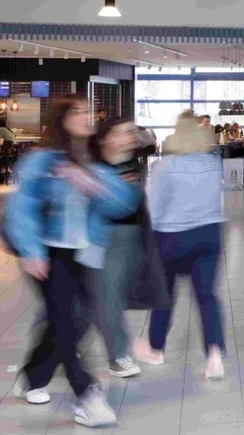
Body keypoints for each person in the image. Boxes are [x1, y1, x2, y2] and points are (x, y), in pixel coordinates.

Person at [5, 95, 137, 427]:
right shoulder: (42, 161)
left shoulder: (91, 160)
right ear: (62, 119)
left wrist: (94, 185)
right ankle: (86, 395)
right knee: (65, 321)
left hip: (85, 253)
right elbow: (22, 209)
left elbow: (123, 204)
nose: (87, 116)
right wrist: (32, 251)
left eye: (87, 111)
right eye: (78, 112)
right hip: (49, 253)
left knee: (73, 322)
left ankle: (34, 375)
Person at [140, 115, 226, 380]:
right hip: (209, 234)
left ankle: (156, 350)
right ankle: (214, 355)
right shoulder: (213, 164)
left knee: (164, 296)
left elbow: (154, 210)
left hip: (171, 238)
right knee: (206, 296)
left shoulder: (164, 167)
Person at [88, 117, 154, 380]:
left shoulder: (131, 161)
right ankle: (118, 356)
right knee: (108, 297)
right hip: (105, 238)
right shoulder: (93, 167)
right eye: (122, 132)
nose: (129, 137)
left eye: (131, 132)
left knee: (94, 299)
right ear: (105, 138)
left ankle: (59, 345)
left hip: (132, 237)